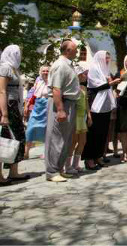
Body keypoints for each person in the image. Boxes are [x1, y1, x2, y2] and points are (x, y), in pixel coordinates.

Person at [44, 40, 81, 182]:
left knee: (65, 139)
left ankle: (59, 169)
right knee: (57, 138)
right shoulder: (60, 65)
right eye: (75, 49)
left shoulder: (68, 64)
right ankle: (52, 172)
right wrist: (60, 109)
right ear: (67, 50)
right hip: (62, 103)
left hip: (69, 103)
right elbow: (56, 89)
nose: (77, 52)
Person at [82, 51, 120, 171]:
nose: (108, 60)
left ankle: (98, 156)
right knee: (93, 133)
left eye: (109, 58)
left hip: (105, 105)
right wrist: (112, 83)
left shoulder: (105, 70)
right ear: (99, 58)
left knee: (102, 133)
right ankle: (89, 159)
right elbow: (96, 87)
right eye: (106, 58)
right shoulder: (94, 69)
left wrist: (112, 82)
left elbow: (108, 85)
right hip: (95, 104)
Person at [0, 45, 29, 184]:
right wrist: (4, 114)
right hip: (8, 107)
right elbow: (2, 91)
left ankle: (13, 172)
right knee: (4, 140)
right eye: (18, 53)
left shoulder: (13, 69)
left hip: (14, 106)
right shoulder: (5, 68)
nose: (20, 56)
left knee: (17, 138)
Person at [64, 65, 92, 174]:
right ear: (79, 75)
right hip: (75, 117)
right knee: (73, 142)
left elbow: (86, 103)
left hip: (82, 117)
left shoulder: (83, 88)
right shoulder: (72, 87)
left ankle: (75, 164)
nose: (86, 76)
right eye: (85, 74)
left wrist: (89, 116)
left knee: (82, 141)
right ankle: (67, 166)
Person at [24, 65, 50, 159]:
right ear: (40, 72)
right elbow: (33, 95)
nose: (45, 72)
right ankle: (26, 152)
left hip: (48, 106)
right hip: (37, 107)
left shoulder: (53, 82)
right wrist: (27, 105)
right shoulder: (38, 81)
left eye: (47, 71)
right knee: (30, 128)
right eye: (43, 71)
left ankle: (46, 152)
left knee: (47, 130)